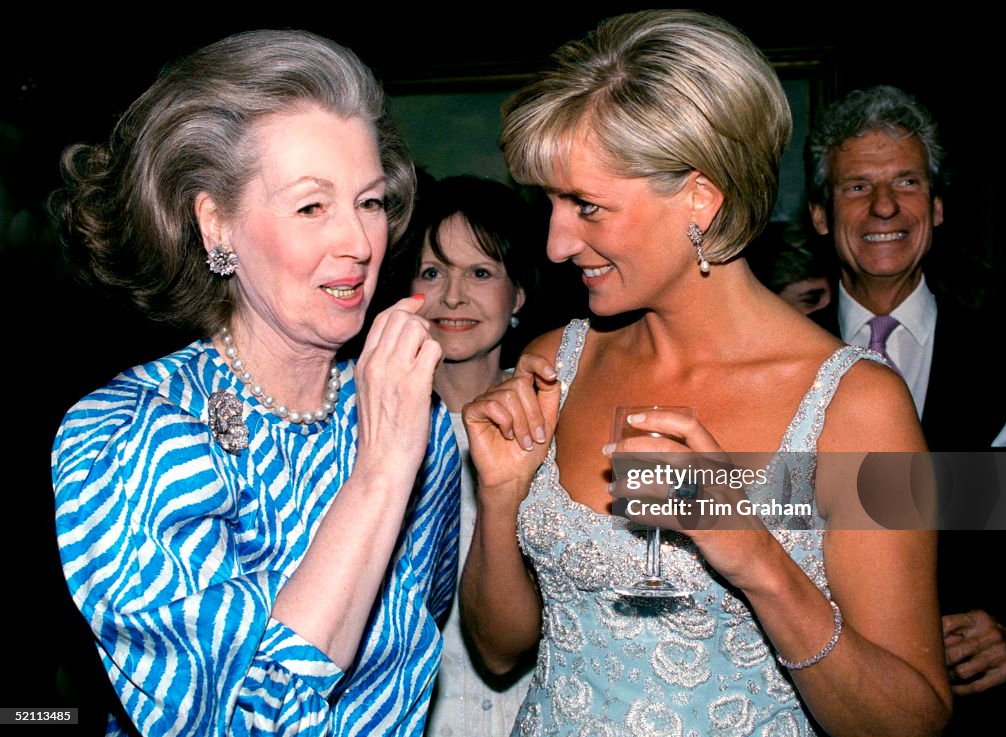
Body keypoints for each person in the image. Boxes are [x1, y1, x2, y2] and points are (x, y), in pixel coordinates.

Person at [459, 11, 952, 736]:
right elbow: (499, 652)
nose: (558, 243)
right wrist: (500, 501)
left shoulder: (858, 407)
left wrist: (758, 559)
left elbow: (913, 721)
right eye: (553, 203)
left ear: (700, 198)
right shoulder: (551, 362)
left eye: (587, 206)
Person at [50, 30, 459, 737]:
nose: (360, 243)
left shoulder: (418, 421)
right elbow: (242, 720)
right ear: (218, 226)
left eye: (370, 202)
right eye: (312, 207)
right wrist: (380, 471)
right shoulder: (134, 433)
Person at [807, 85, 1006, 732]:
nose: (882, 206)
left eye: (905, 181)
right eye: (855, 187)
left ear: (935, 204)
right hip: (808, 702)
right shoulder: (770, 361)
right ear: (819, 214)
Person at [392, 175, 538, 737]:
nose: (453, 297)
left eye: (480, 273)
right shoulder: (361, 426)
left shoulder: (559, 415)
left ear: (518, 293)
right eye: (433, 272)